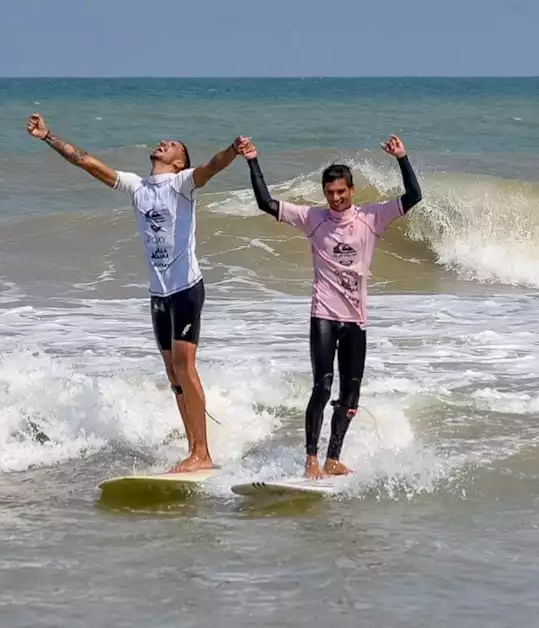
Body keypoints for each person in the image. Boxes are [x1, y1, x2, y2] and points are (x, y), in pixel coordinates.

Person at [27, 113, 245, 473]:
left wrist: (232, 151)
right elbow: (86, 163)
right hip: (158, 293)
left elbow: (211, 167)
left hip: (186, 287)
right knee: (172, 373)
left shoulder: (183, 183)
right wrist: (48, 136)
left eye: (172, 145)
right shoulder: (137, 187)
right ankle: (193, 449)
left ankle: (203, 453)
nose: (164, 143)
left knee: (184, 367)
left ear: (178, 162)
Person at [236, 135, 421, 479]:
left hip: (356, 319)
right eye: (330, 193)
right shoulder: (312, 218)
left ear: (351, 189)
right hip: (323, 314)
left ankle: (333, 459)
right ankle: (310, 459)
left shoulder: (372, 216)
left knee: (350, 394)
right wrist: (252, 160)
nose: (335, 199)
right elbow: (265, 202)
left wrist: (402, 158)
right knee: (322, 386)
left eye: (341, 192)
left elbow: (414, 196)